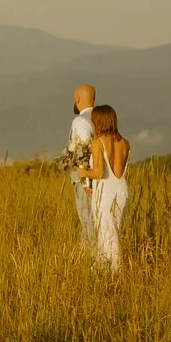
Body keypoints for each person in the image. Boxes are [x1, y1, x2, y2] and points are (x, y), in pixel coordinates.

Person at [78, 103, 131, 269]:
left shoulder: (97, 143)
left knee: (106, 236)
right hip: (122, 192)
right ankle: (111, 271)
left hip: (105, 194)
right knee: (115, 233)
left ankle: (112, 273)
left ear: (98, 121)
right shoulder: (125, 143)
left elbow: (99, 172)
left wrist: (83, 173)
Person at [67, 83, 98, 248]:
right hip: (102, 175)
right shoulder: (101, 118)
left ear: (78, 99)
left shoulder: (80, 121)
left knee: (87, 218)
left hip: (85, 178)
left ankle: (90, 259)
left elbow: (83, 151)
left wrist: (85, 180)